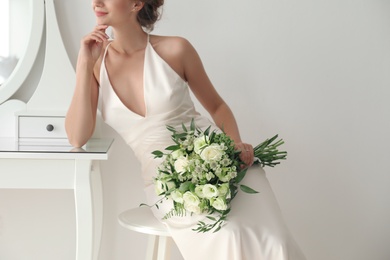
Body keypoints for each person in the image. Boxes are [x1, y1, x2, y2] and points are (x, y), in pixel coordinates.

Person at [65, 0, 307, 259]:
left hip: (220, 157)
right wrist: (82, 64)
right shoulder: (93, 63)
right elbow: (77, 137)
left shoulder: (175, 49)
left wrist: (235, 143)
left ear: (136, 3)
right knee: (227, 236)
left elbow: (217, 106)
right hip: (168, 181)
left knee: (274, 242)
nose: (96, 2)